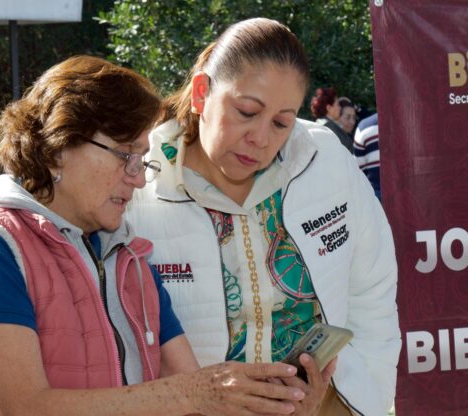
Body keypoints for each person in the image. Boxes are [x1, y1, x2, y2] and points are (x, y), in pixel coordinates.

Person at [0, 55, 306, 416]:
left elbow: (197, 397)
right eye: (123, 154)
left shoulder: (130, 260)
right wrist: (192, 392)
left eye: (142, 158)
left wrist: (283, 404)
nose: (137, 178)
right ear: (56, 148)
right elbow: (24, 408)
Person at [127, 18, 401, 416]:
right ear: (202, 93)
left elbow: (372, 290)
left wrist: (351, 401)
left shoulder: (326, 163)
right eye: (246, 112)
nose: (260, 138)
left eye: (281, 123)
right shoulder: (139, 184)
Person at [309, 87, 353, 152]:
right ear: (329, 108)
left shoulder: (315, 125)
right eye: (337, 105)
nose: (340, 108)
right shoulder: (330, 129)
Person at [353, 112, 381, 200]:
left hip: (376, 195)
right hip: (413, 193)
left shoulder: (364, 126)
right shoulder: (416, 119)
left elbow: (358, 167)